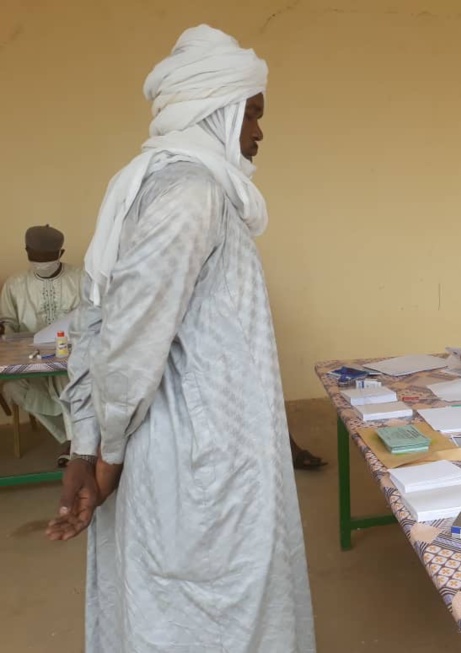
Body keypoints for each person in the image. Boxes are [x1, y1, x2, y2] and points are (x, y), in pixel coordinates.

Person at [45, 25, 315, 652]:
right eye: (252, 114)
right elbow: (128, 340)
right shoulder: (188, 194)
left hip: (206, 447)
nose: (258, 132)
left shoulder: (176, 187)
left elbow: (99, 319)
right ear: (217, 111)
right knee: (202, 611)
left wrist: (86, 449)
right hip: (196, 458)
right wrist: (100, 456)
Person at [0, 225, 84, 464]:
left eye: (47, 257)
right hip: (31, 361)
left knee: (66, 376)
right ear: (27, 251)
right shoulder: (15, 286)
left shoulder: (80, 279)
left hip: (71, 358)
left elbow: (93, 318)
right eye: (35, 256)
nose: (41, 262)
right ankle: (67, 438)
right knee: (13, 388)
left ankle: (73, 445)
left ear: (61, 252)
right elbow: (8, 325)